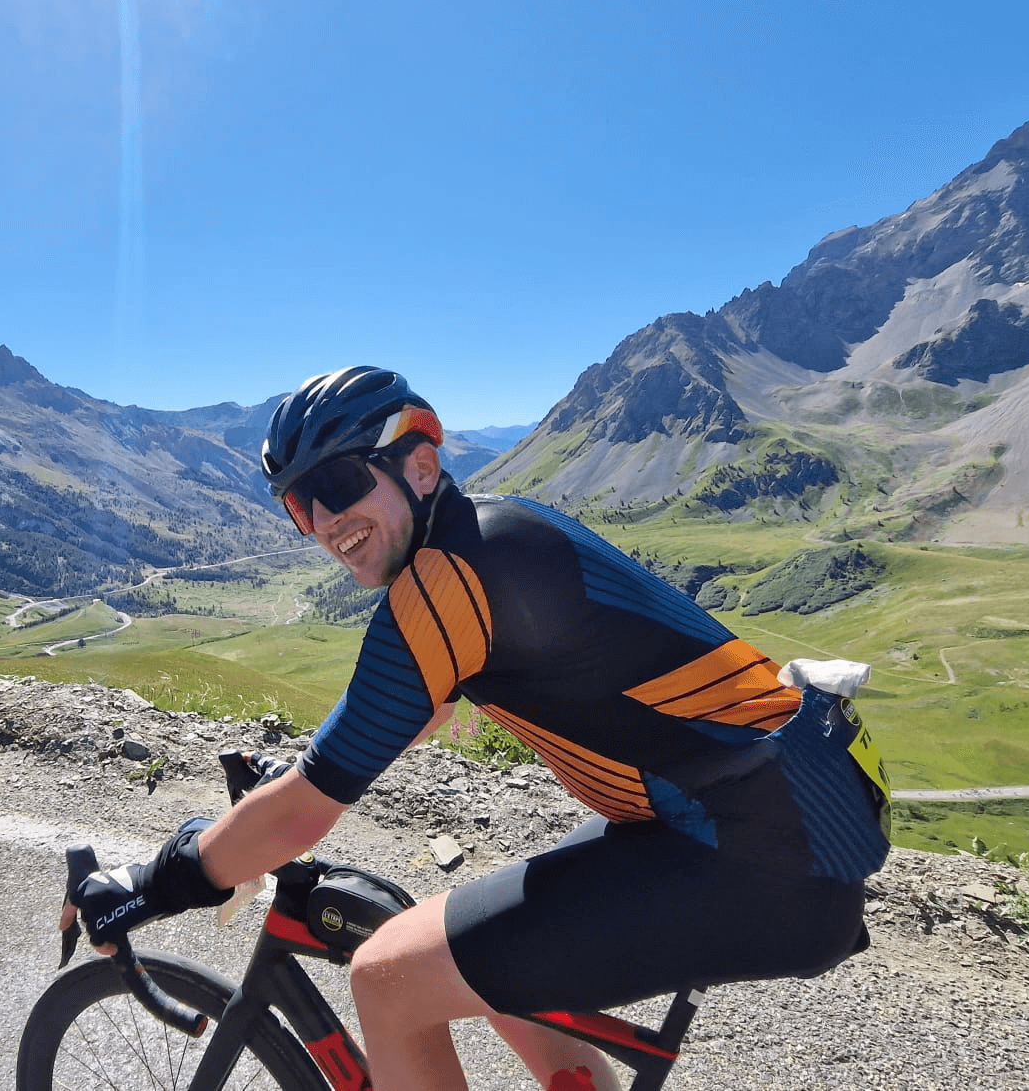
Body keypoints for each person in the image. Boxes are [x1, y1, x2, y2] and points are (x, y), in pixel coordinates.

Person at [62, 366, 890, 1091]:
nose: (322, 521)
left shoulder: (441, 585)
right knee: (475, 953)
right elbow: (406, 713)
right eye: (298, 506)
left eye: (341, 484)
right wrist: (292, 785)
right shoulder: (489, 533)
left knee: (389, 978)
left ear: (420, 467)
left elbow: (308, 810)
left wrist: (150, 882)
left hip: (754, 852)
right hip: (764, 820)